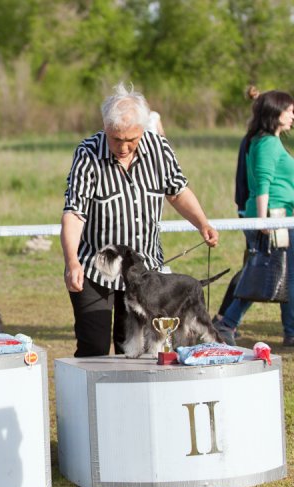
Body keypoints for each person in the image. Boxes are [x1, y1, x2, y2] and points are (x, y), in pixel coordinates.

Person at [61, 83, 219, 357]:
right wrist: (71, 260)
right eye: (115, 139)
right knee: (93, 347)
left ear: (144, 130)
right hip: (96, 270)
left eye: (130, 139)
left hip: (145, 272)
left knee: (138, 347)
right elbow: (74, 213)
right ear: (105, 127)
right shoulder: (87, 153)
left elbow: (178, 192)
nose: (122, 147)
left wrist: (202, 222)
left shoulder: (160, 149)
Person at [213, 90, 294, 347]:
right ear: (276, 113)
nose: (293, 115)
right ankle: (226, 323)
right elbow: (262, 184)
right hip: (274, 217)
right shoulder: (267, 143)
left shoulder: (267, 140)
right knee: (262, 274)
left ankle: (291, 331)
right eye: (290, 110)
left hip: (279, 216)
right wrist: (263, 223)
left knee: (282, 275)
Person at [213, 86, 261, 329]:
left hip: (249, 208)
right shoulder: (257, 141)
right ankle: (224, 319)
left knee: (254, 267)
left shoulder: (256, 139)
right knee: (252, 269)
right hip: (253, 212)